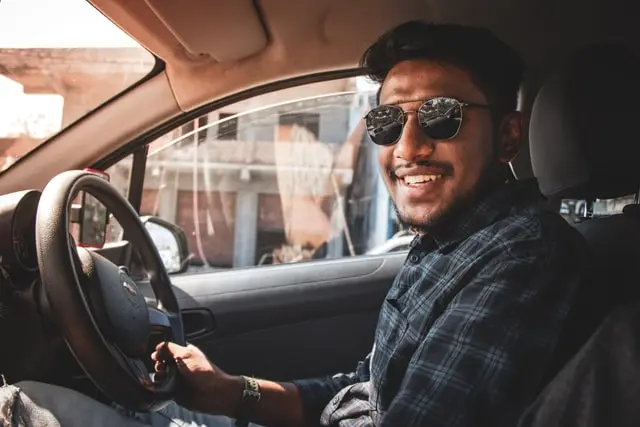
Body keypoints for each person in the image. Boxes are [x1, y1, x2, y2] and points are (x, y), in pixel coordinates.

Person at [7, 20, 587, 427]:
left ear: (508, 134)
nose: (409, 146)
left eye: (442, 116)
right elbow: (366, 393)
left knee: (17, 409)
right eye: (387, 121)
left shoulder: (524, 258)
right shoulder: (451, 241)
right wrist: (229, 393)